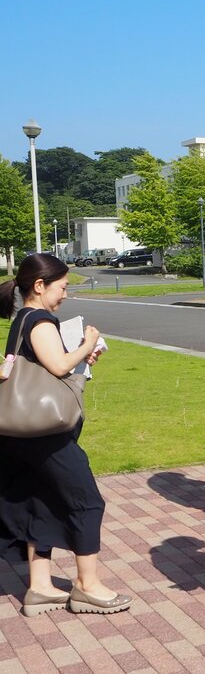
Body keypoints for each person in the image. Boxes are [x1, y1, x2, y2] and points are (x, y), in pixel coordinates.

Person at [0, 254, 131, 616]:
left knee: (40, 500)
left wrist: (80, 358)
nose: (65, 294)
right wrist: (88, 343)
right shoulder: (40, 319)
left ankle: (40, 587)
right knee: (87, 501)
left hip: (20, 434)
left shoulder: (22, 319)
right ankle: (88, 587)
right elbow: (57, 365)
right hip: (46, 436)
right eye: (62, 287)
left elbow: (45, 367)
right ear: (39, 286)